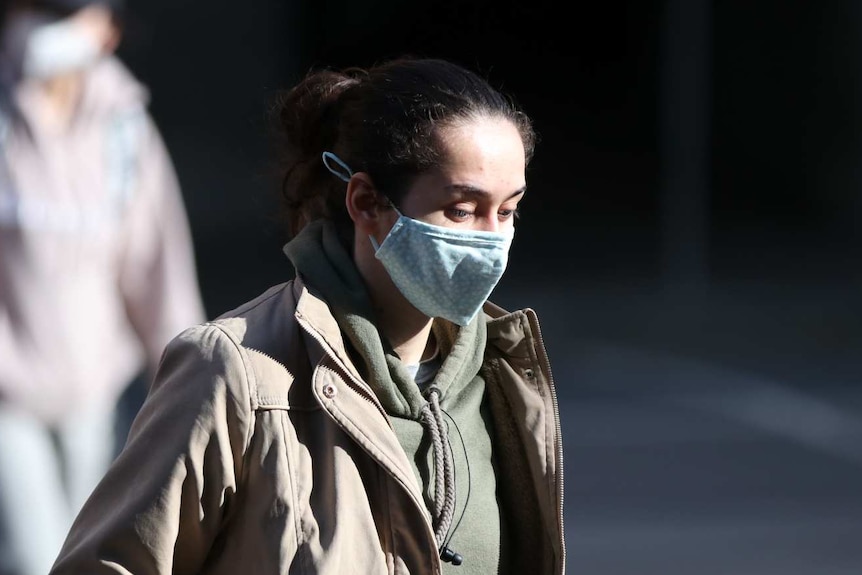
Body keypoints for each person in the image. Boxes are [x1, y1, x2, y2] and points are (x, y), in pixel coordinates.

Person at [48, 55, 565, 575]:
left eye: (507, 211)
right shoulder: (238, 371)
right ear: (365, 203)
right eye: (460, 209)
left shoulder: (502, 377)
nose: (491, 239)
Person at [0, 0, 206, 574]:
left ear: (109, 28)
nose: (47, 27)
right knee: (32, 557)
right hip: (7, 398)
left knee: (97, 554)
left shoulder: (124, 128)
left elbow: (156, 271)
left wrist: (186, 385)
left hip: (96, 395)